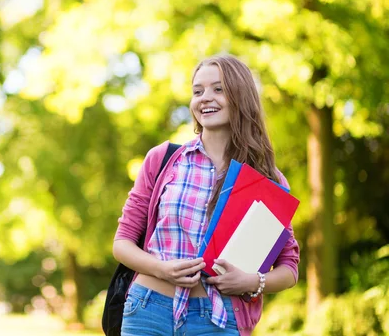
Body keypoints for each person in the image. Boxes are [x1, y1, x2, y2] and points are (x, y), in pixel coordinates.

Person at [112, 54, 300, 336]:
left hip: (217, 321)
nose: (205, 98)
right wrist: (161, 269)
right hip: (148, 311)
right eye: (197, 91)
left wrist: (250, 281)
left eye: (218, 89)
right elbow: (122, 244)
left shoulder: (266, 179)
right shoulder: (163, 160)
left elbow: (289, 268)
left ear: (241, 96)